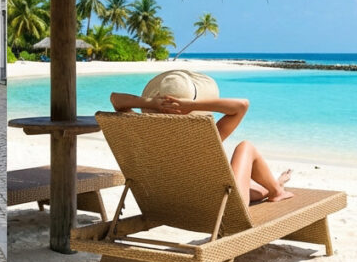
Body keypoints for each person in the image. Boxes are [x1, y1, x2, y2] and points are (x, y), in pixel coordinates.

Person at [109, 69, 293, 206]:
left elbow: (116, 99)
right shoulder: (201, 137)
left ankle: (275, 184)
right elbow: (242, 105)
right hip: (221, 206)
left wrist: (148, 102)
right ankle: (277, 191)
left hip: (176, 204)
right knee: (246, 147)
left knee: (256, 189)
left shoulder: (145, 133)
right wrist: (192, 104)